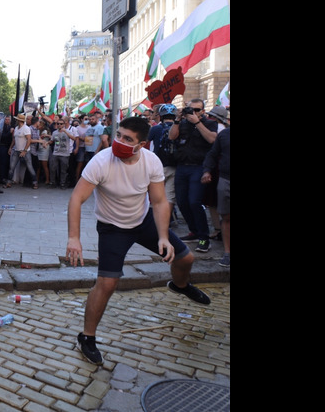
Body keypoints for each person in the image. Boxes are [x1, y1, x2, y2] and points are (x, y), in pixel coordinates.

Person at [66, 116, 211, 366]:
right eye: (119, 135)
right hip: (112, 228)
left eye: (127, 139)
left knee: (186, 257)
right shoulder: (101, 161)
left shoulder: (151, 161)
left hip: (143, 222)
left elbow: (159, 201)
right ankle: (87, 337)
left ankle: (179, 285)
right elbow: (76, 199)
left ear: (141, 145)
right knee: (107, 284)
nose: (119, 141)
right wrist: (74, 238)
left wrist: (164, 236)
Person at [168, 99, 218, 253]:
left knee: (194, 202)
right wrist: (177, 119)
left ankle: (204, 238)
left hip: (199, 167)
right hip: (182, 167)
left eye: (197, 110)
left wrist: (197, 123)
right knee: (182, 202)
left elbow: (212, 139)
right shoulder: (183, 124)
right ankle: (194, 231)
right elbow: (172, 136)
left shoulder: (209, 123)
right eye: (190, 110)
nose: (193, 113)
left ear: (203, 111)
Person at [202, 110, 230, 267]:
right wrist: (206, 170)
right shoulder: (224, 135)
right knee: (226, 218)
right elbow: (212, 154)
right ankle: (227, 253)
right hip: (226, 180)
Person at [147, 104, 180, 226]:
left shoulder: (156, 129)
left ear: (160, 116)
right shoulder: (180, 127)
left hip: (158, 166)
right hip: (175, 165)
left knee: (155, 194)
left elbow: (146, 140)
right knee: (169, 197)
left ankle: (155, 218)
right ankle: (167, 220)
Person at [7, 114, 35, 189]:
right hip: (17, 150)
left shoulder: (26, 128)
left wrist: (25, 150)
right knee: (12, 167)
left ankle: (35, 182)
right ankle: (9, 182)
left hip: (25, 151)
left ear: (19, 120)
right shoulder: (16, 128)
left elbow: (29, 140)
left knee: (30, 167)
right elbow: (14, 139)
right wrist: (11, 147)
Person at [49, 117, 75, 190]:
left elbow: (74, 138)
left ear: (64, 124)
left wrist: (65, 131)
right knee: (53, 169)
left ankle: (62, 183)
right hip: (56, 153)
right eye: (58, 124)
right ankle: (53, 183)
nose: (59, 125)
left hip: (65, 154)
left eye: (61, 124)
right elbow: (52, 141)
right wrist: (46, 143)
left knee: (63, 170)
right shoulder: (54, 132)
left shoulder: (68, 131)